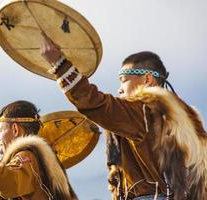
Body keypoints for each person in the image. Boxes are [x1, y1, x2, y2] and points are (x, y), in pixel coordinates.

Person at [40, 34, 207, 200]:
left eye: (123, 80)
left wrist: (59, 63)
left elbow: (94, 103)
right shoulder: (183, 120)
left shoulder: (144, 111)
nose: (119, 89)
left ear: (147, 79)